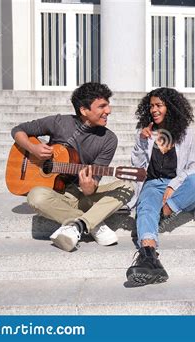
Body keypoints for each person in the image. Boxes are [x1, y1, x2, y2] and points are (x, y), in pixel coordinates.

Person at [11, 82, 134, 252]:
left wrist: (89, 188)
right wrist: (33, 149)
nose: (109, 111)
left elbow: (94, 182)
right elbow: (18, 130)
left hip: (84, 196)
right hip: (58, 193)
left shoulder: (109, 139)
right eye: (102, 106)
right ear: (84, 110)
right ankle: (93, 223)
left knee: (127, 186)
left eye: (108, 105)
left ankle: (78, 226)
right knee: (35, 196)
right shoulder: (60, 122)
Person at [126, 87, 195, 286]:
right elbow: (137, 166)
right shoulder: (146, 132)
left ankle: (164, 212)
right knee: (146, 206)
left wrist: (173, 186)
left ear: (169, 107)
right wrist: (141, 142)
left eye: (159, 105)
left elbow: (192, 166)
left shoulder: (185, 132)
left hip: (177, 186)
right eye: (151, 106)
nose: (154, 110)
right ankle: (149, 256)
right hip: (153, 184)